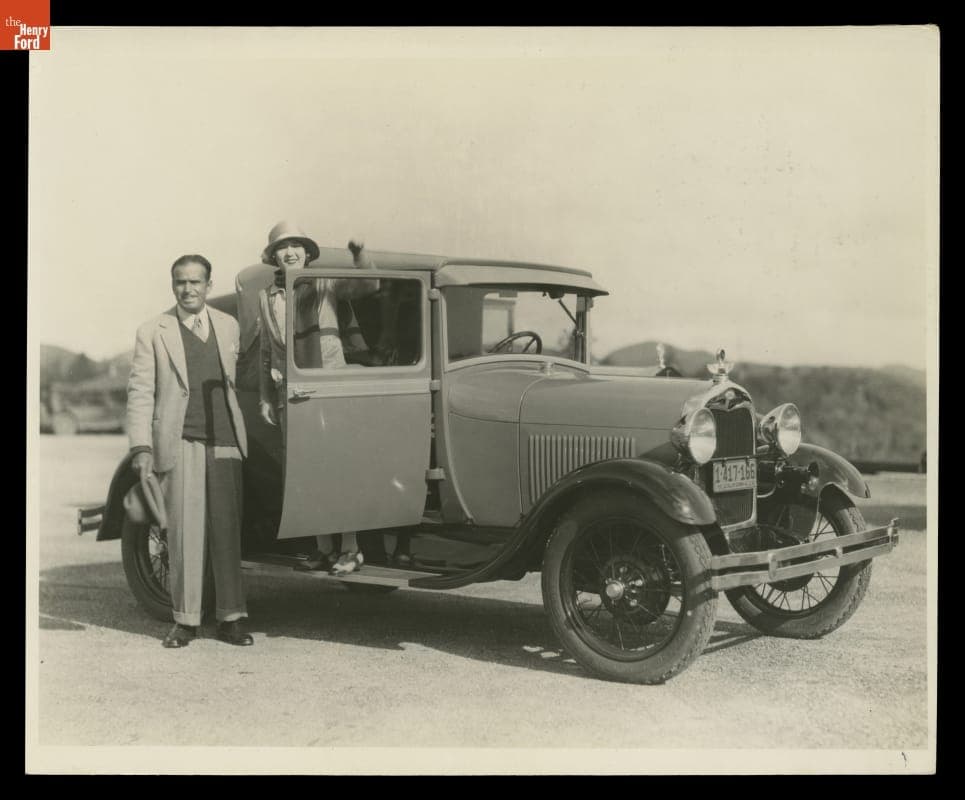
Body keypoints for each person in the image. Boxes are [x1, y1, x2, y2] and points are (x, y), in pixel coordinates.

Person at [127, 254, 252, 649]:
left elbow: (245, 375)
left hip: (227, 438)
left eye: (196, 282)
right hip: (181, 441)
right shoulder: (153, 331)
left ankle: (231, 619)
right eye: (181, 282)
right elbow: (140, 392)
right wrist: (141, 446)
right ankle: (185, 621)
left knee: (227, 532)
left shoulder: (229, 326)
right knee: (183, 534)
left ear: (209, 285)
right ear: (173, 285)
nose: (188, 289)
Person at [256, 221, 377, 574]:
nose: (290, 252)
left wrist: (358, 254)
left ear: (307, 252)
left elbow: (367, 286)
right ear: (274, 256)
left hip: (328, 389)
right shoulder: (267, 297)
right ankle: (323, 548)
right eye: (282, 247)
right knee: (304, 474)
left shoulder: (324, 283)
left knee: (338, 470)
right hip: (291, 394)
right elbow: (267, 349)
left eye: (296, 245)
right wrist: (266, 396)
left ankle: (351, 548)